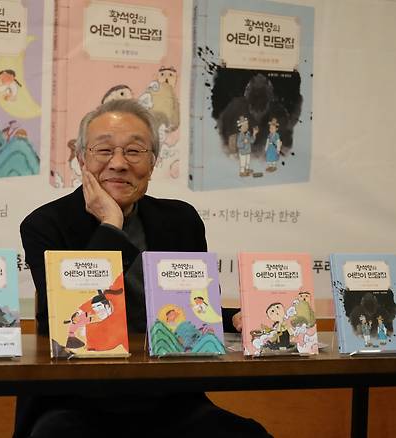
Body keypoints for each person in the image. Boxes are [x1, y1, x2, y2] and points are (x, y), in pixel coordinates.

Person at [18, 99, 271, 437]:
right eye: (104, 150)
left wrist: (234, 318)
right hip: (76, 399)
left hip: (166, 397)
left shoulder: (180, 220)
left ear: (152, 163)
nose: (119, 164)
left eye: (135, 152)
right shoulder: (45, 225)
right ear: (81, 159)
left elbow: (189, 312)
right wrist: (111, 224)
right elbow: (69, 318)